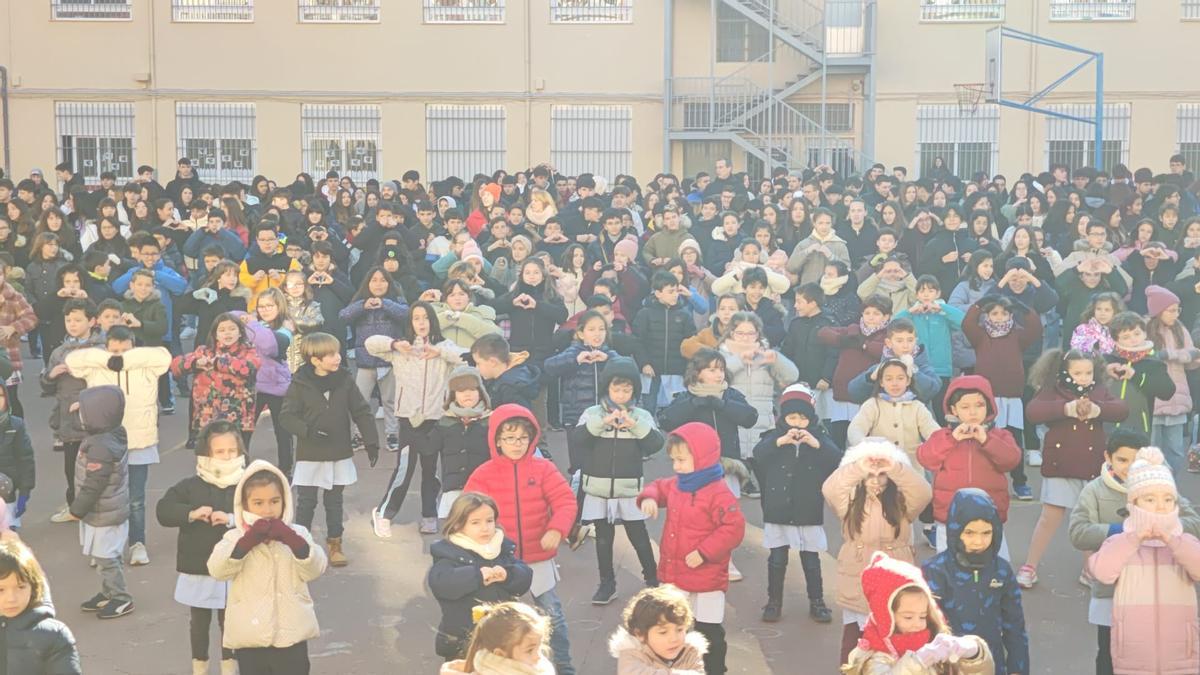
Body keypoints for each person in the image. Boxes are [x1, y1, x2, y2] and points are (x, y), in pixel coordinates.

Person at [1068, 428, 1200, 675]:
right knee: (1111, 651)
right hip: (1110, 590)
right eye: (1122, 459)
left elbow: (1193, 522)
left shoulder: (1161, 487)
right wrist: (1118, 532)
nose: (1129, 467)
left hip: (1162, 592)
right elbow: (1078, 532)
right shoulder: (1095, 490)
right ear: (1108, 457)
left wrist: (1169, 529)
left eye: (1135, 460)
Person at [463, 404, 577, 675]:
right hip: (500, 560)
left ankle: (564, 667)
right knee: (494, 621)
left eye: (523, 438)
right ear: (497, 441)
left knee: (553, 616)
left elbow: (565, 501)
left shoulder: (544, 469)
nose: (517, 444)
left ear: (532, 438)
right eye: (509, 438)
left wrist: (557, 529)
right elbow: (467, 510)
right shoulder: (484, 473)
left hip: (538, 557)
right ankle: (491, 667)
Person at [638, 422, 746, 675]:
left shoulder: (718, 491)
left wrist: (704, 552)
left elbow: (733, 528)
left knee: (709, 633)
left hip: (706, 575)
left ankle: (714, 670)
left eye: (682, 460)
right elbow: (657, 486)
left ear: (702, 458)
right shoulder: (678, 483)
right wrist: (650, 497)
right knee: (675, 629)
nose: (676, 466)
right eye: (674, 460)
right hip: (676, 573)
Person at [1018, 349, 1127, 589]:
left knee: (1087, 520)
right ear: (1064, 372)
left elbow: (1121, 408)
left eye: (1088, 372)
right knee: (1049, 517)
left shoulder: (1098, 391)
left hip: (1091, 466)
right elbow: (1033, 411)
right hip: (1060, 464)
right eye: (1077, 372)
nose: (1084, 377)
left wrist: (1098, 409)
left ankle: (1089, 568)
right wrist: (1066, 408)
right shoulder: (1052, 390)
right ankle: (1030, 565)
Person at [207, 460, 328, 675]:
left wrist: (292, 540)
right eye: (258, 503)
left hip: (291, 634)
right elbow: (217, 569)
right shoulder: (235, 536)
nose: (267, 510)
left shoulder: (297, 532)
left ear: (284, 500)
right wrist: (245, 543)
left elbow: (315, 568)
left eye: (274, 501)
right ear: (244, 505)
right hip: (251, 637)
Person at [66, 325, 170, 567]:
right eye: (114, 349)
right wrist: (107, 358)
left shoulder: (147, 365)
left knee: (135, 499)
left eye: (125, 349)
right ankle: (103, 549)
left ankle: (137, 543)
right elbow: (73, 361)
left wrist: (125, 359)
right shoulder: (96, 365)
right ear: (106, 347)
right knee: (102, 498)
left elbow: (164, 357)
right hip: (103, 442)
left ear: (134, 347)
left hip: (138, 442)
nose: (119, 354)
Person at [823, 438, 931, 664]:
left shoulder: (902, 502)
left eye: (881, 475)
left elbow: (923, 492)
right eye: (870, 475)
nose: (876, 480)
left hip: (895, 575)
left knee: (896, 637)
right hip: (858, 576)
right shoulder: (850, 502)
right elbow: (831, 489)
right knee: (856, 640)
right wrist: (858, 466)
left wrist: (894, 466)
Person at [280, 332, 379, 568]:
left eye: (338, 352)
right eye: (331, 354)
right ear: (315, 360)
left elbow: (361, 411)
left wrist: (371, 440)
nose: (338, 357)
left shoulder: (344, 379)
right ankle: (301, 544)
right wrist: (308, 431)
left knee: (334, 501)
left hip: (338, 451)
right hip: (310, 452)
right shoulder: (300, 383)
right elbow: (286, 416)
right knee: (306, 502)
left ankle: (335, 544)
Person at [155, 420, 245, 675]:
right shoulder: (190, 486)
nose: (227, 457)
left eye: (232, 451)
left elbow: (259, 517)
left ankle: (230, 668)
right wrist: (191, 513)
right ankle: (200, 667)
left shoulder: (246, 484)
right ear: (206, 454)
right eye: (220, 451)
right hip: (199, 567)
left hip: (234, 567)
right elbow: (163, 510)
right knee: (199, 623)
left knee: (230, 623)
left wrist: (229, 519)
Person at [367, 302, 466, 535]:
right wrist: (394, 344)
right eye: (416, 318)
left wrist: (440, 352)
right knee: (404, 469)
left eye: (426, 318)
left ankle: (429, 515)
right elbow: (370, 344)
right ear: (410, 322)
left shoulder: (444, 347)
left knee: (431, 471)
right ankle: (385, 513)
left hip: (435, 419)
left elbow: (466, 357)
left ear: (433, 320)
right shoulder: (402, 348)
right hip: (408, 419)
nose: (421, 323)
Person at [572, 357, 663, 605]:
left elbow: (656, 444)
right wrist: (601, 423)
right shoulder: (592, 413)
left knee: (639, 537)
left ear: (634, 389)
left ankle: (653, 579)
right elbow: (578, 439)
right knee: (603, 539)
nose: (621, 395)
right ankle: (607, 583)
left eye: (627, 389)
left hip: (628, 486)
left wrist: (635, 426)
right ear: (606, 389)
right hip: (598, 487)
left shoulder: (642, 415)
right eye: (616, 389)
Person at [753, 385, 841, 624]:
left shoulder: (820, 438)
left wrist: (817, 444)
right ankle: (773, 602)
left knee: (811, 560)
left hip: (807, 508)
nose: (798, 423)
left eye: (803, 418)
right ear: (783, 418)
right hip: (778, 508)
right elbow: (758, 455)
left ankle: (817, 601)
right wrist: (780, 442)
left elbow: (837, 460)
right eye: (792, 417)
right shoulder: (773, 438)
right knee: (777, 559)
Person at [922, 489, 1030, 675]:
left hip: (990, 663)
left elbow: (1015, 626)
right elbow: (924, 627)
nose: (978, 541)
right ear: (955, 530)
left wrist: (1017, 668)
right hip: (947, 665)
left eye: (986, 533)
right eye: (969, 533)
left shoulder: (1001, 571)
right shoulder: (935, 570)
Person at [918, 375, 1021, 556]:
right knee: (949, 566)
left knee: (994, 565)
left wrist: (987, 440)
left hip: (988, 517)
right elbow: (926, 458)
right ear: (953, 410)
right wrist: (951, 439)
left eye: (979, 405)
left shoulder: (1000, 435)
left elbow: (1011, 460)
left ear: (989, 406)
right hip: (950, 516)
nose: (973, 412)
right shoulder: (943, 436)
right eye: (965, 407)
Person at [843, 552, 994, 674]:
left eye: (923, 616)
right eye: (908, 617)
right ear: (885, 617)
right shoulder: (873, 658)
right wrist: (917, 663)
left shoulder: (933, 639)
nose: (918, 623)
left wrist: (974, 652)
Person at [428, 492, 533, 661]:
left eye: (489, 521)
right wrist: (476, 575)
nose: (485, 528)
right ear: (457, 525)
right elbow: (441, 583)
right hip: (464, 641)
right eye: (475, 523)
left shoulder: (501, 548)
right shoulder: (450, 552)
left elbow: (525, 577)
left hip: (503, 637)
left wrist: (508, 575)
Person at [961, 295, 1042, 501]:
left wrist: (1023, 308)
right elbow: (967, 323)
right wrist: (980, 304)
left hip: (1012, 398)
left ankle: (1020, 482)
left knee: (1014, 442)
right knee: (985, 439)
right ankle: (986, 481)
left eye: (1004, 313)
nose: (999, 317)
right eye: (994, 313)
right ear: (987, 315)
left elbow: (1035, 328)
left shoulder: (1017, 335)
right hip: (987, 399)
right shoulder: (980, 336)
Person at [72, 386, 134, 620]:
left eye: (85, 411)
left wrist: (77, 509)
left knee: (107, 558)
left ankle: (120, 597)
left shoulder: (100, 446)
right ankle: (108, 592)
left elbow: (94, 484)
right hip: (107, 510)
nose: (80, 415)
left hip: (103, 513)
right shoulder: (111, 434)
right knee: (103, 556)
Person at [720, 311, 798, 498]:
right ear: (731, 332)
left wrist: (777, 360)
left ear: (758, 334)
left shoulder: (766, 354)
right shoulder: (721, 354)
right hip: (732, 420)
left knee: (768, 480)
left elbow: (792, 376)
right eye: (740, 333)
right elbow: (718, 375)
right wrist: (740, 359)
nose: (746, 338)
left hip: (762, 420)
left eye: (751, 333)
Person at [40, 298, 100, 524]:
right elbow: (46, 386)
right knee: (71, 467)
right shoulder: (59, 352)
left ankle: (95, 507)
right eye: (68, 320)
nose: (72, 324)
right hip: (68, 420)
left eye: (78, 320)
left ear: (92, 321)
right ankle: (74, 505)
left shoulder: (100, 349)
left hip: (95, 419)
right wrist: (51, 375)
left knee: (97, 467)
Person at [338, 267, 409, 451]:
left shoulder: (396, 301)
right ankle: (360, 436)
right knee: (360, 401)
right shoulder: (361, 301)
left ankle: (392, 435)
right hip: (366, 362)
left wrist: (384, 303)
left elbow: (406, 314)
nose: (378, 284)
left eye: (383, 280)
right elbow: (343, 316)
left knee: (390, 401)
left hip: (390, 361)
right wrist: (362, 306)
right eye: (374, 280)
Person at [172, 313, 261, 442]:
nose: (227, 333)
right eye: (222, 330)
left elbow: (248, 368)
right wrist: (194, 363)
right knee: (207, 456)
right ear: (215, 334)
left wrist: (216, 362)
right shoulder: (203, 351)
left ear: (240, 332)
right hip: (207, 417)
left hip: (239, 419)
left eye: (232, 329)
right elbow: (176, 366)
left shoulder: (248, 351)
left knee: (238, 457)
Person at [0, 538, 81, 674]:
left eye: (21, 587)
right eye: (1, 589)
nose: (11, 598)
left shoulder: (54, 635)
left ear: (34, 586)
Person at [1144, 285, 1200, 474]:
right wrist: (1181, 355)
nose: (1176, 314)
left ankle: (1172, 490)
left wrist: (1189, 359)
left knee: (1176, 452)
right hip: (1154, 400)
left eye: (1178, 310)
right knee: (1151, 451)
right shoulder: (1144, 329)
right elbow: (1150, 356)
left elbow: (1190, 357)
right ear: (1159, 310)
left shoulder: (1180, 329)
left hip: (1178, 396)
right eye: (1171, 310)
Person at [847, 357, 940, 465]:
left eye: (900, 378)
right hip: (880, 472)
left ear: (908, 380)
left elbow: (933, 432)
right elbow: (856, 428)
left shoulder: (917, 407)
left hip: (911, 471)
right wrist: (864, 444)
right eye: (889, 379)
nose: (895, 383)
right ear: (881, 382)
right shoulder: (873, 405)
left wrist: (944, 441)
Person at [430, 367, 493, 523]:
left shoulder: (491, 421)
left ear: (481, 392)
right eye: (460, 389)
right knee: (453, 534)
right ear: (453, 395)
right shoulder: (444, 422)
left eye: (472, 388)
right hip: (453, 488)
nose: (467, 394)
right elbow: (428, 448)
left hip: (484, 488)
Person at [543, 309, 619, 430]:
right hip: (576, 417)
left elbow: (627, 368)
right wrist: (575, 360)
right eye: (591, 329)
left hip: (605, 415)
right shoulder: (573, 352)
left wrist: (607, 360)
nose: (597, 334)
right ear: (581, 333)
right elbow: (549, 366)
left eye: (601, 329)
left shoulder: (609, 353)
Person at [608, 584, 709, 675]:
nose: (674, 639)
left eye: (679, 629)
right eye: (663, 632)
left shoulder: (690, 652)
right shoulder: (631, 654)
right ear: (640, 634)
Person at [632, 271, 696, 414]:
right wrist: (644, 364)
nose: (675, 295)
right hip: (651, 373)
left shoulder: (684, 314)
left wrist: (687, 369)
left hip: (676, 373)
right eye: (670, 291)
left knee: (675, 414)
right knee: (648, 411)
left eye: (676, 291)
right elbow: (637, 342)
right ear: (658, 293)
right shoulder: (645, 314)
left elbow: (691, 342)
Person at [1103, 311, 1174, 436]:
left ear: (1145, 333)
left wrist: (1135, 377)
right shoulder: (1106, 359)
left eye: (1137, 333)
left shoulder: (1154, 362)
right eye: (1126, 337)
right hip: (1106, 426)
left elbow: (1167, 392)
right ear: (1115, 339)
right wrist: (1104, 372)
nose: (1133, 339)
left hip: (1139, 429)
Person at [440, 601, 555, 675]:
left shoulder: (537, 669)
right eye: (529, 650)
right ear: (500, 654)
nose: (538, 656)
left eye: (539, 647)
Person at [470, 334, 542, 412]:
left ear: (493, 362)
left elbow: (518, 420)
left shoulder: (510, 389)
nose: (476, 368)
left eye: (478, 363)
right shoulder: (500, 380)